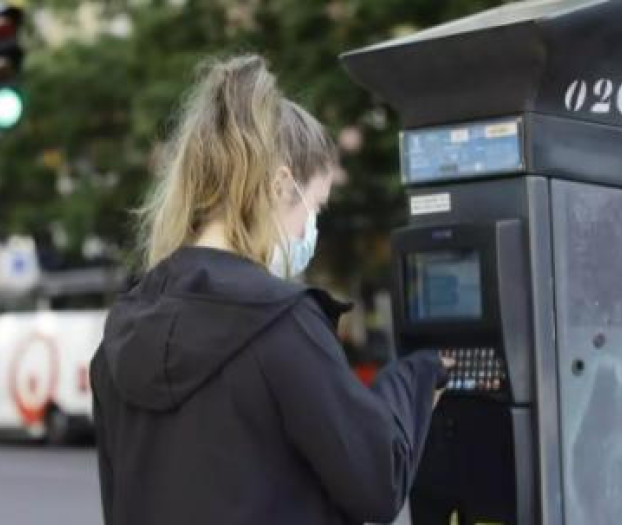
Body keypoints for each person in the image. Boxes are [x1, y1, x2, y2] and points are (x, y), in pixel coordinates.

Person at [90, 54, 452, 525]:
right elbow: (377, 483)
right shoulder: (280, 324)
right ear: (282, 186)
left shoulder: (120, 334)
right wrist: (415, 379)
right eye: (315, 206)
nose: (311, 226)